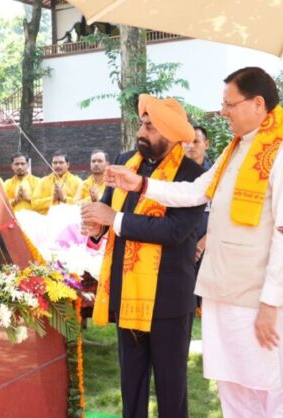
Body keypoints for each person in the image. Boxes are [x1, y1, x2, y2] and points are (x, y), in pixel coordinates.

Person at [104, 67, 283, 417]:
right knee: (233, 390)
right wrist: (140, 184)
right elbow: (195, 191)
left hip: (257, 298)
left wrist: (271, 304)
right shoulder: (237, 148)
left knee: (270, 391)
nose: (223, 112)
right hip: (223, 289)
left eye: (230, 104)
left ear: (258, 104)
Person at [81, 94, 205, 418]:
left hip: (168, 298)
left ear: (170, 134)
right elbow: (109, 207)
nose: (141, 132)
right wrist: (97, 226)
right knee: (131, 386)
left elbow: (175, 231)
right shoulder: (126, 161)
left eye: (150, 127)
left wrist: (114, 220)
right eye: (142, 123)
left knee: (171, 389)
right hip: (128, 293)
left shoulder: (191, 175)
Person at [184, 126, 212, 267]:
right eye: (187, 141)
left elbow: (222, 216)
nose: (190, 146)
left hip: (207, 249)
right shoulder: (173, 175)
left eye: (196, 141)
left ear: (206, 144)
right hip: (179, 247)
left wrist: (201, 245)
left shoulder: (216, 175)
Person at [31, 150, 82, 214]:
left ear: (68, 164)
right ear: (51, 164)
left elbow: (81, 203)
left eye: (61, 162)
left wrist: (64, 199)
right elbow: (34, 204)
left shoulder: (77, 182)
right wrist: (52, 199)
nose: (57, 165)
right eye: (55, 163)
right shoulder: (43, 181)